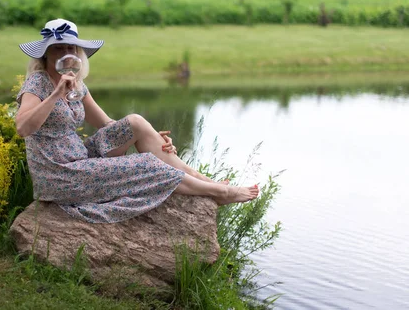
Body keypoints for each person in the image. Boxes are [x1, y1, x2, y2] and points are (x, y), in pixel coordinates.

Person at [15, 18, 259, 223]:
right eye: (59, 48)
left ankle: (202, 179)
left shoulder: (76, 84)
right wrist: (56, 93)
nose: (66, 54)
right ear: (46, 53)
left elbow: (109, 125)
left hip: (80, 158)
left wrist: (152, 137)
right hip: (60, 174)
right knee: (147, 164)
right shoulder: (37, 83)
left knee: (136, 122)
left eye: (71, 49)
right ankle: (220, 191)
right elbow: (23, 128)